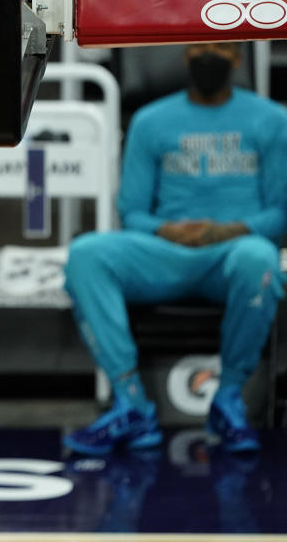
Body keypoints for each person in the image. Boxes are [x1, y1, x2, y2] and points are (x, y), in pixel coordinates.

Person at [63, 41, 287, 455]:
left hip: (233, 255)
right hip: (165, 253)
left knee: (260, 258)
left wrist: (222, 232)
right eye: (199, 46)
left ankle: (230, 399)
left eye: (221, 48)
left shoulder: (273, 120)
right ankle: (131, 403)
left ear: (238, 59)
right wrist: (172, 231)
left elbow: (279, 214)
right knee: (87, 255)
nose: (209, 55)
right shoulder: (151, 121)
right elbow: (132, 213)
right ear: (185, 55)